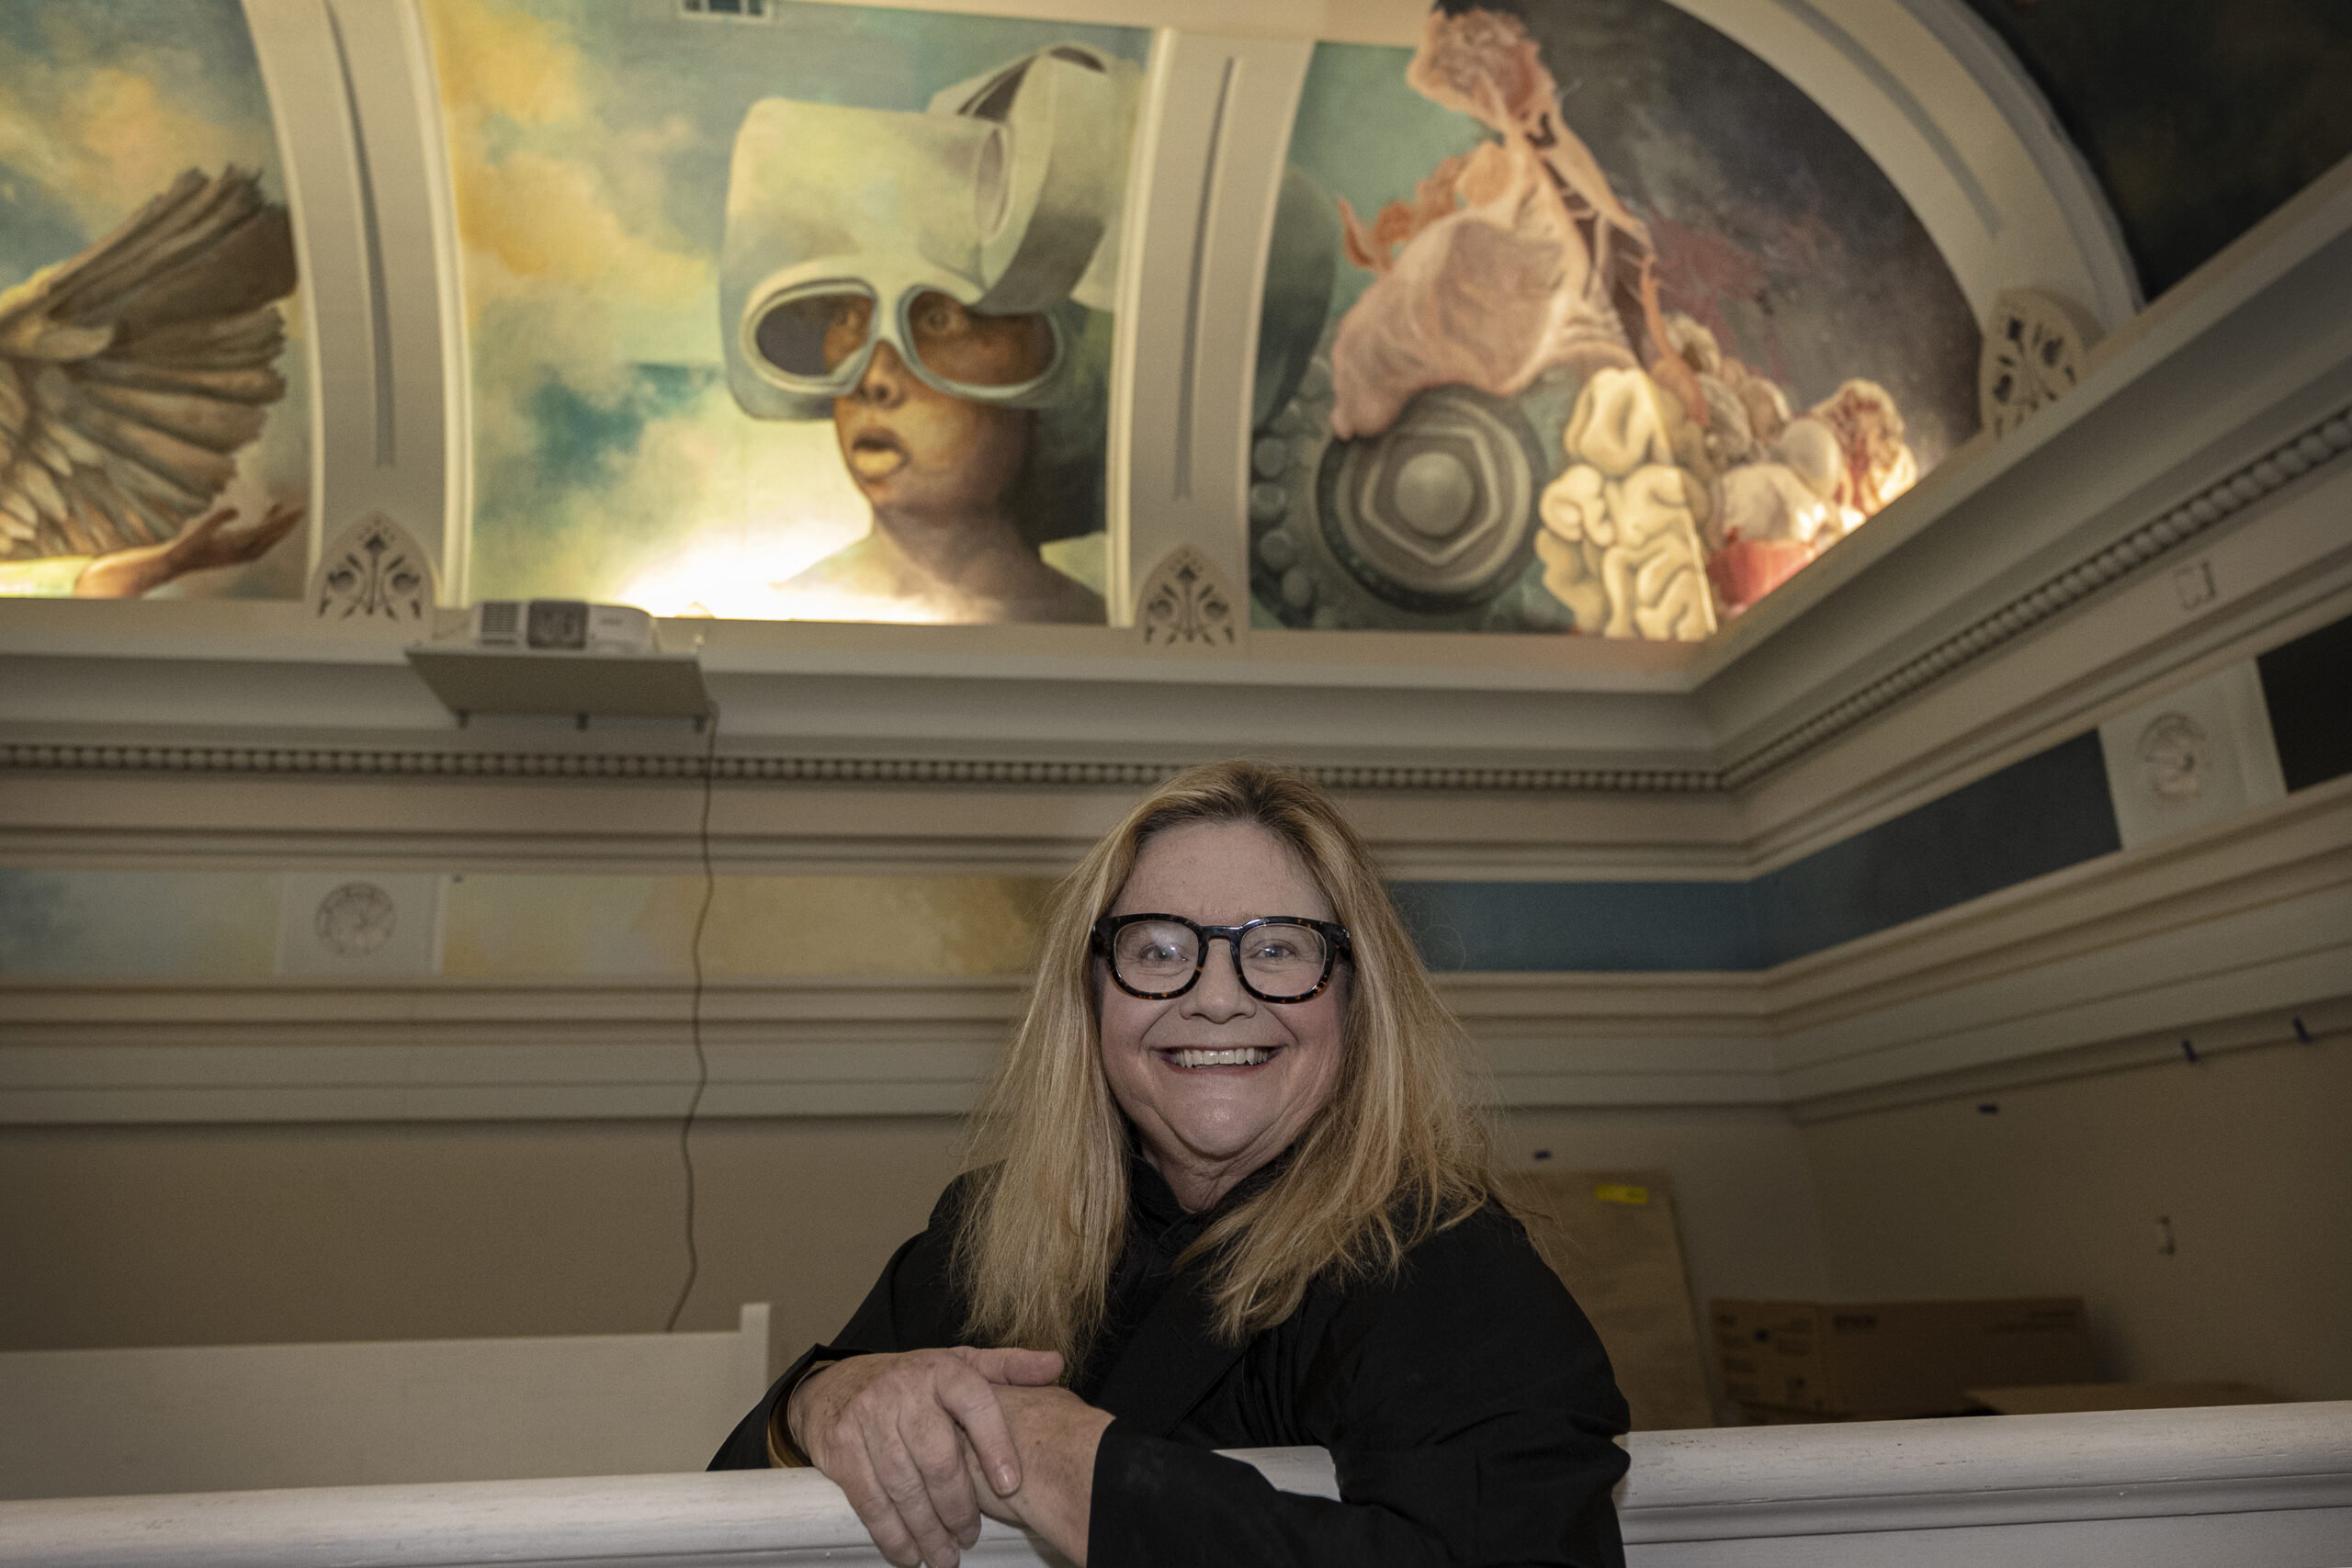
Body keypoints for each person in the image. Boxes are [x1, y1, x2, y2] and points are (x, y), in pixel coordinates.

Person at [710, 761, 1630, 1567]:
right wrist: (824, 1400)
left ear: (1356, 999)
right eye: (1157, 950)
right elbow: (715, 1506)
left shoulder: (1443, 1262)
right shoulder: (989, 1228)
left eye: (1276, 948)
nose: (1217, 998)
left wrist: (1064, 1459)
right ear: (1091, 999)